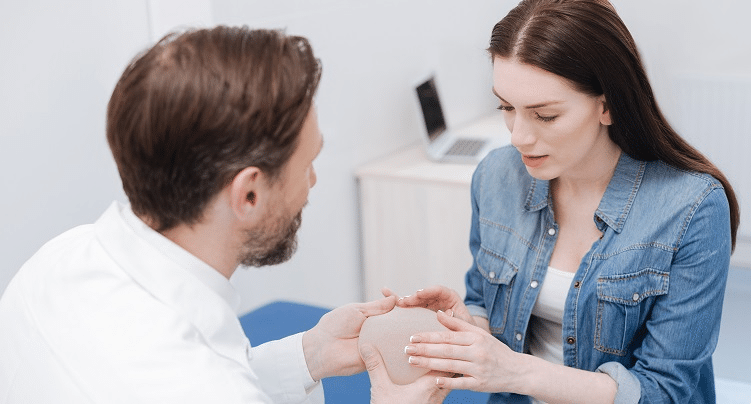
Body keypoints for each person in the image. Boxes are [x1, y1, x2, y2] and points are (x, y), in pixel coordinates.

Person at [0, 26, 445, 404]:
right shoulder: (205, 387)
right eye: (308, 164)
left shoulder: (54, 260)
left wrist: (312, 353)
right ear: (248, 194)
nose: (312, 183)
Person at [393, 0, 740, 403]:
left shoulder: (693, 208)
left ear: (607, 105)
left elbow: (664, 390)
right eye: (506, 107)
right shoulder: (496, 175)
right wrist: (469, 325)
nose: (518, 136)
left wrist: (515, 371)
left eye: (545, 116)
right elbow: (484, 301)